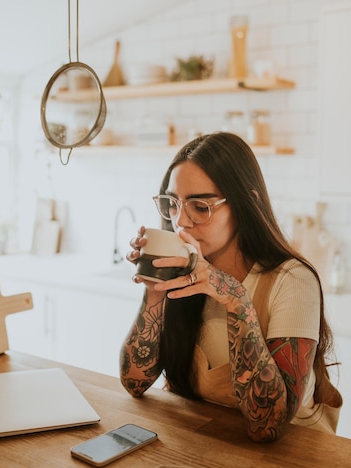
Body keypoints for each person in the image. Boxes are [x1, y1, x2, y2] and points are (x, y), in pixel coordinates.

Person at [119, 132, 342, 442]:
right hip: (208, 445)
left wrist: (235, 297)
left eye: (199, 206)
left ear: (245, 203)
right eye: (171, 204)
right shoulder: (183, 273)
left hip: (295, 462)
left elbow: (268, 425)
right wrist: (155, 291)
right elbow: (134, 384)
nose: (180, 221)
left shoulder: (292, 280)